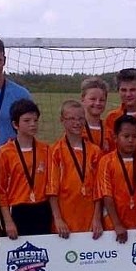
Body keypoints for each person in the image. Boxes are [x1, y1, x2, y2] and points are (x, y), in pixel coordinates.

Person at [98, 115, 136, 244]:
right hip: (114, 225)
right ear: (115, 137)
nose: (131, 140)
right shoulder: (106, 161)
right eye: (126, 136)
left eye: (135, 136)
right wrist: (116, 224)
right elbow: (106, 195)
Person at [47, 100, 103, 239]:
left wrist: (97, 218)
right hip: (65, 219)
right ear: (62, 120)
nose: (77, 123)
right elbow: (52, 190)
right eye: (71, 118)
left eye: (80, 118)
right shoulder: (55, 151)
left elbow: (100, 188)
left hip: (90, 219)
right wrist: (58, 219)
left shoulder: (95, 151)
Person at [0, 98, 52, 238]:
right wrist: (8, 221)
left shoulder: (46, 150)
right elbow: (0, 190)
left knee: (43, 255)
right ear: (15, 124)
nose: (33, 124)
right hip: (17, 210)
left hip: (42, 208)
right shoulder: (5, 152)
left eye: (35, 120)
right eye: (27, 121)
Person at [81, 76, 111, 152]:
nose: (97, 103)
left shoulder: (109, 130)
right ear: (82, 99)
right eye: (93, 99)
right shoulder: (75, 128)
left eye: (102, 100)